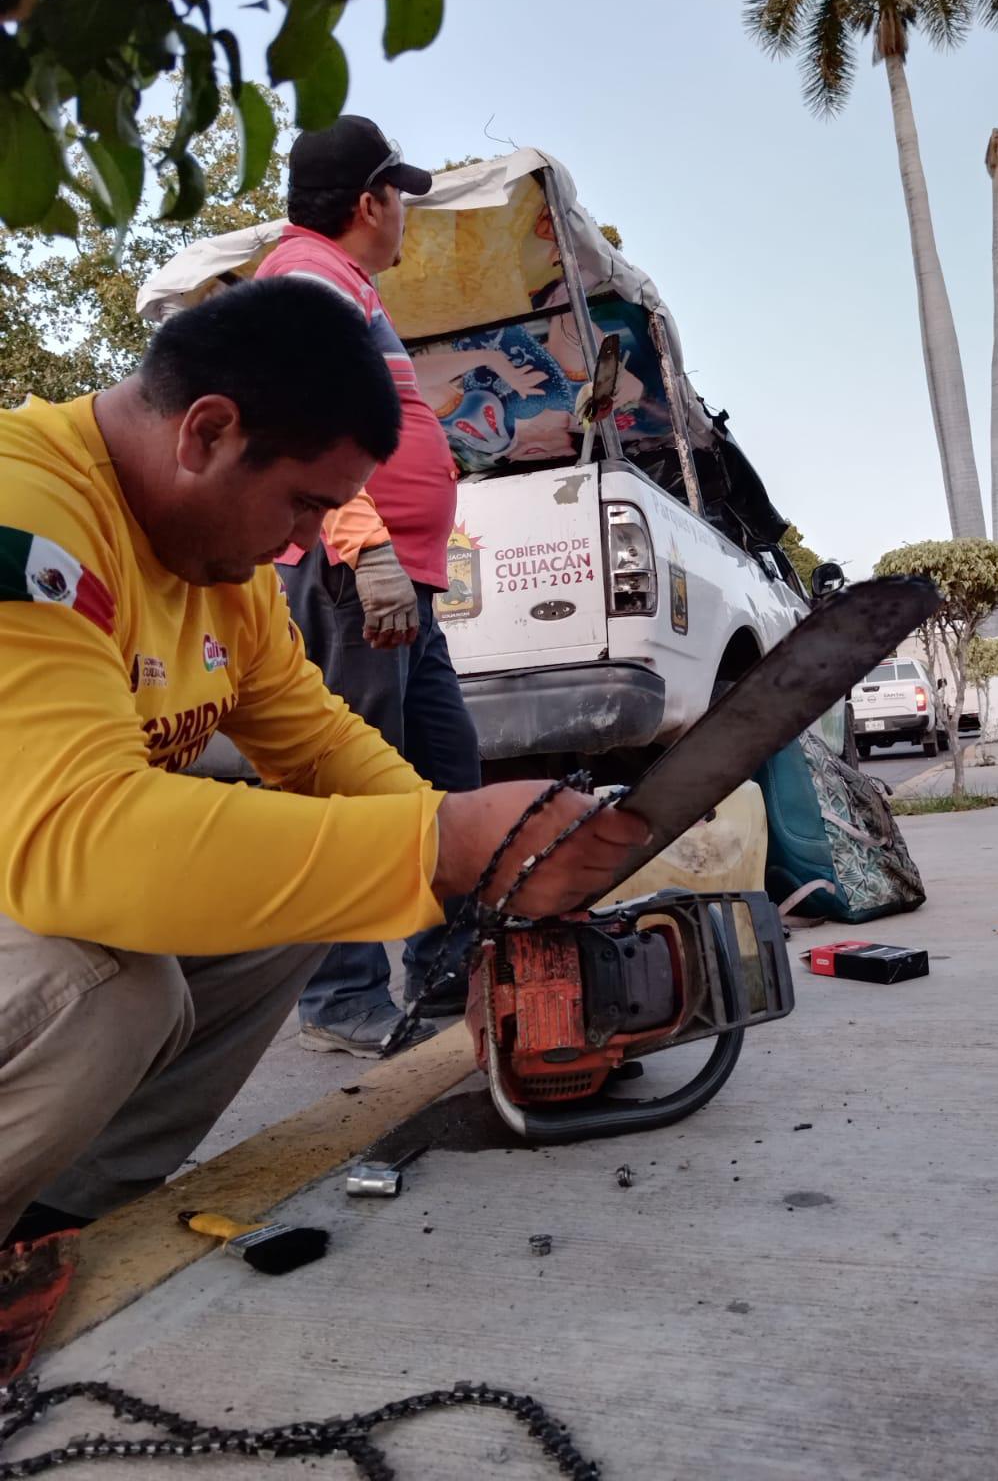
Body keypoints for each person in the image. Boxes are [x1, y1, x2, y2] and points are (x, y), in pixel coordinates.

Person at [0, 278, 646, 1247]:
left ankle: (55, 1219)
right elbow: (72, 845)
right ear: (206, 434)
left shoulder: (227, 572)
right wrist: (439, 841)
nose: (307, 543)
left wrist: (482, 855)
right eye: (304, 504)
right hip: (35, 855)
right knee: (111, 985)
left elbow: (321, 744)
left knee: (303, 898)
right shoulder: (28, 512)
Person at [256, 116, 480, 1056]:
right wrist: (365, 543)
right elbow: (300, 421)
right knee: (357, 787)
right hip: (360, 574)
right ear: (370, 201)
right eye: (401, 200)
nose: (404, 221)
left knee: (444, 771)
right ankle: (340, 997)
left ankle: (445, 970)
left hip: (399, 579)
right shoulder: (307, 274)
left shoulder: (339, 282)